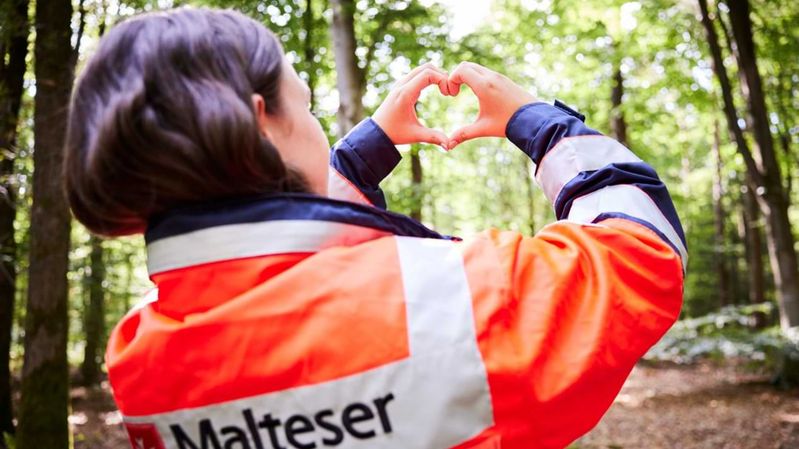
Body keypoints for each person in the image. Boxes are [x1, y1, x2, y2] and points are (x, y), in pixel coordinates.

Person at [64, 7, 685, 449]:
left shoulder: (142, 358)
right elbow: (643, 252)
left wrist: (362, 157)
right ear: (263, 125)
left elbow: (274, 272)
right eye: (305, 106)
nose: (317, 129)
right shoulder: (448, 302)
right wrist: (540, 124)